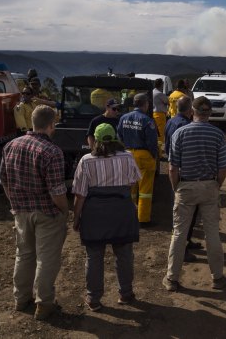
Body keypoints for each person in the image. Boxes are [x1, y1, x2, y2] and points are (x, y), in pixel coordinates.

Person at [0, 105, 69, 320]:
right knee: (47, 259)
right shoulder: (52, 151)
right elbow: (57, 191)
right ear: (51, 125)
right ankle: (44, 304)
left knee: (24, 255)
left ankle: (21, 300)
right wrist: (65, 211)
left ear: (32, 122)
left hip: (21, 210)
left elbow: (4, 180)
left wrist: (14, 202)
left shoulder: (10, 145)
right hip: (47, 213)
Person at [163, 96, 226, 291]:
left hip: (185, 187)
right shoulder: (218, 135)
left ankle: (172, 279)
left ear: (192, 112)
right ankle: (217, 277)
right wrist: (216, 185)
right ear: (209, 113)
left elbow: (172, 167)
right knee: (212, 233)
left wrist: (176, 187)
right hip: (209, 186)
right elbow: (224, 166)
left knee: (179, 233)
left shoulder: (180, 133)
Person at [72, 123, 142, 312]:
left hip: (95, 215)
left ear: (94, 140)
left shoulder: (86, 160)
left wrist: (76, 218)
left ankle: (94, 298)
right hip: (122, 212)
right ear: (115, 138)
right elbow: (134, 181)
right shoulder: (127, 156)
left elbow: (80, 194)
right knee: (124, 255)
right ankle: (126, 294)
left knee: (94, 257)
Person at [163, 96, 202, 262]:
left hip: (174, 167)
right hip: (184, 172)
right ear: (190, 110)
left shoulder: (170, 122)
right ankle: (182, 249)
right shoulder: (186, 126)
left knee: (181, 212)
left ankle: (187, 241)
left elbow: (166, 146)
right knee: (187, 214)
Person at [117, 93, 158, 226]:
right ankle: (143, 219)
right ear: (145, 104)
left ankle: (129, 215)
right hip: (144, 155)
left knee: (130, 187)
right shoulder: (147, 120)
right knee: (145, 190)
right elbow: (152, 142)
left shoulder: (124, 118)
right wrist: (154, 155)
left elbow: (120, 136)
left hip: (128, 154)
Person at [152, 79, 169, 160]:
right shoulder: (159, 94)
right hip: (160, 115)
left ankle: (157, 151)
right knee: (160, 135)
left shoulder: (152, 92)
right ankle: (159, 154)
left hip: (153, 114)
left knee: (155, 134)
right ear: (160, 85)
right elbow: (167, 101)